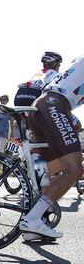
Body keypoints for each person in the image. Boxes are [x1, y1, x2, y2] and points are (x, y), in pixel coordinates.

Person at [19, 56, 84, 239]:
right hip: (55, 105)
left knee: (53, 169)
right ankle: (32, 218)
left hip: (43, 104)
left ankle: (35, 224)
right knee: (74, 170)